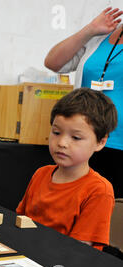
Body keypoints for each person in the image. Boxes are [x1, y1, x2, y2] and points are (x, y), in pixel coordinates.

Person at [16, 88, 117, 250]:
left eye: (76, 137)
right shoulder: (41, 174)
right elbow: (20, 221)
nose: (62, 142)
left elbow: (79, 250)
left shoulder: (99, 191)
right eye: (56, 132)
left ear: (100, 142)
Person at [44, 7, 123, 198]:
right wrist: (90, 29)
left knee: (112, 214)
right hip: (82, 141)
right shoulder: (102, 34)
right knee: (73, 201)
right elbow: (53, 62)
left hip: (119, 145)